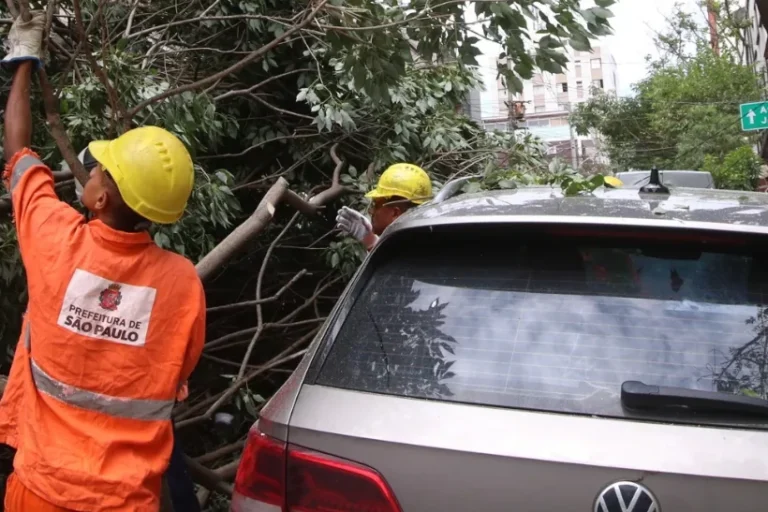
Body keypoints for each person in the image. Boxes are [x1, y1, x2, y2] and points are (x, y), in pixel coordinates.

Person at [0, 12, 206, 512]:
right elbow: (178, 373)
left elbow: (18, 149)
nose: (89, 172)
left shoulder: (54, 238)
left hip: (41, 490)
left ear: (99, 200)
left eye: (97, 171)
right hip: (126, 500)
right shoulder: (182, 284)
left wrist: (23, 64)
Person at [336, 163, 432, 251]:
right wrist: (371, 241)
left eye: (376, 205)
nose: (371, 211)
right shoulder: (426, 244)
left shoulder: (407, 258)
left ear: (395, 213)